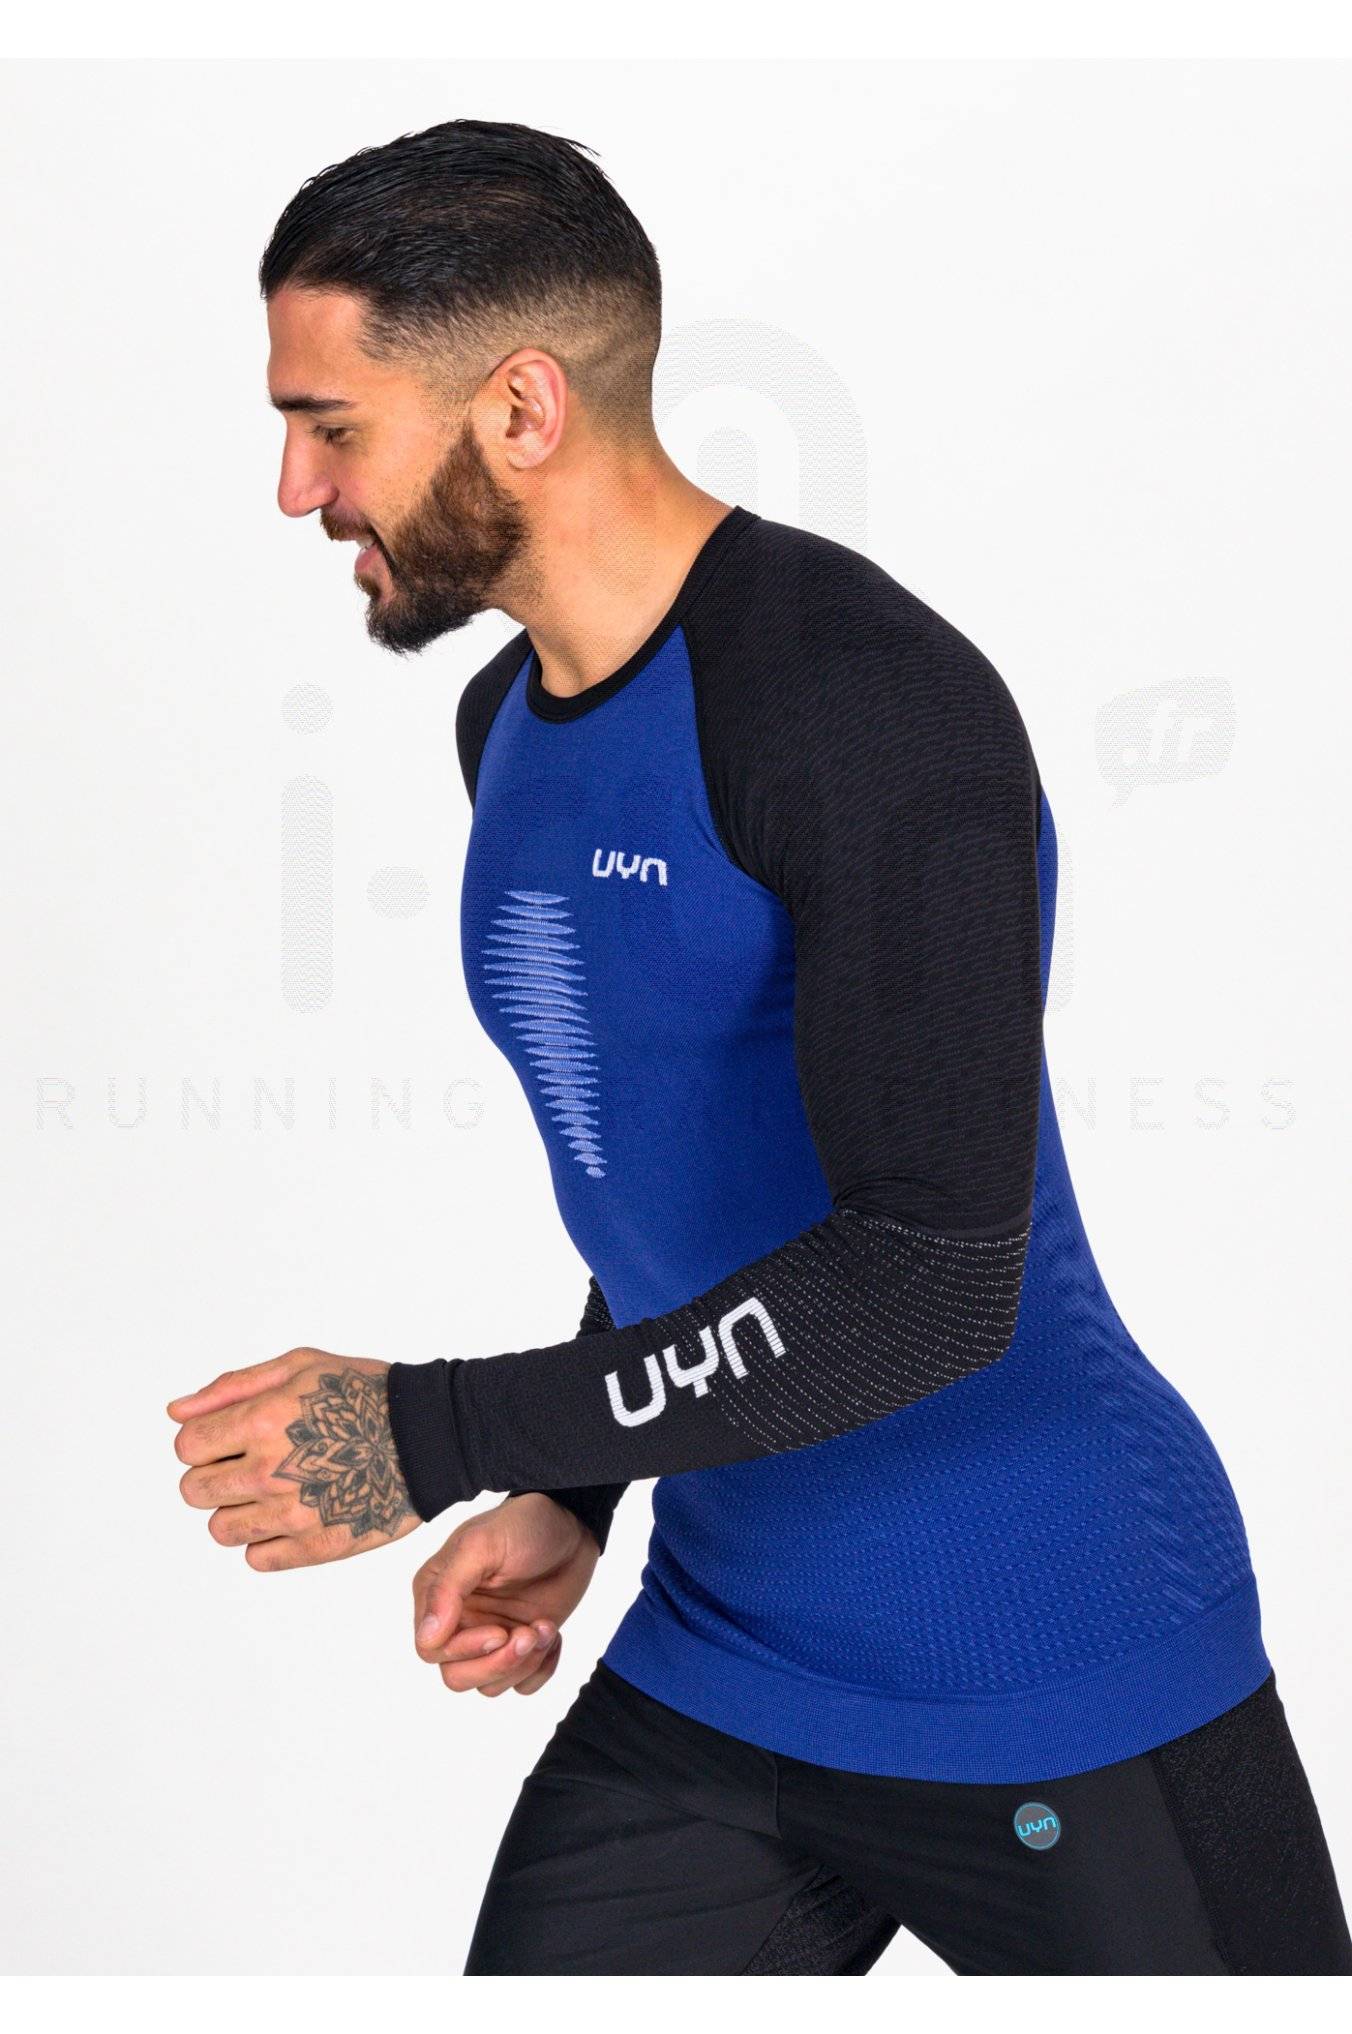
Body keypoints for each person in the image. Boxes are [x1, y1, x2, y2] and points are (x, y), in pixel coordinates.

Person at [167, 117, 1351, 1975]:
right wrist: (575, 1488)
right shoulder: (508, 727)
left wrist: (438, 1431)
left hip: (1054, 1653)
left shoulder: (866, 706)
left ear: (521, 409)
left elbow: (926, 1279)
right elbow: (684, 1174)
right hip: (724, 1667)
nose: (297, 489)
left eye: (333, 426)